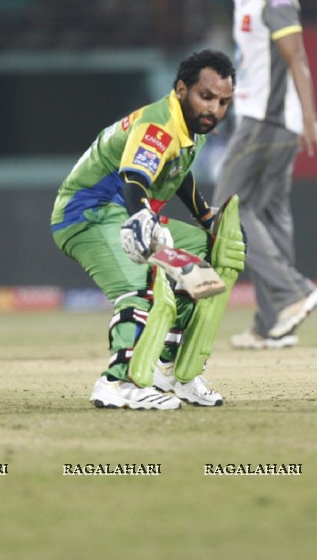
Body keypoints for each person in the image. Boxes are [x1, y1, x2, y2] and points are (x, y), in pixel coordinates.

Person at [51, 50, 246, 409]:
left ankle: (167, 368)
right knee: (139, 288)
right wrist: (140, 217)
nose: (214, 110)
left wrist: (205, 217)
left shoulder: (191, 128)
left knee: (204, 255)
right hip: (90, 214)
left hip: (126, 211)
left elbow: (177, 170)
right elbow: (135, 178)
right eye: (207, 97)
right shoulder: (159, 125)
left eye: (223, 102)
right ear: (181, 89)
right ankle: (117, 383)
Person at [212, 0, 317, 350]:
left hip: (266, 121)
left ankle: (294, 291)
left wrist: (311, 120)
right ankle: (273, 324)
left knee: (227, 208)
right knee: (268, 215)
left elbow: (298, 60)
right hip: (273, 121)